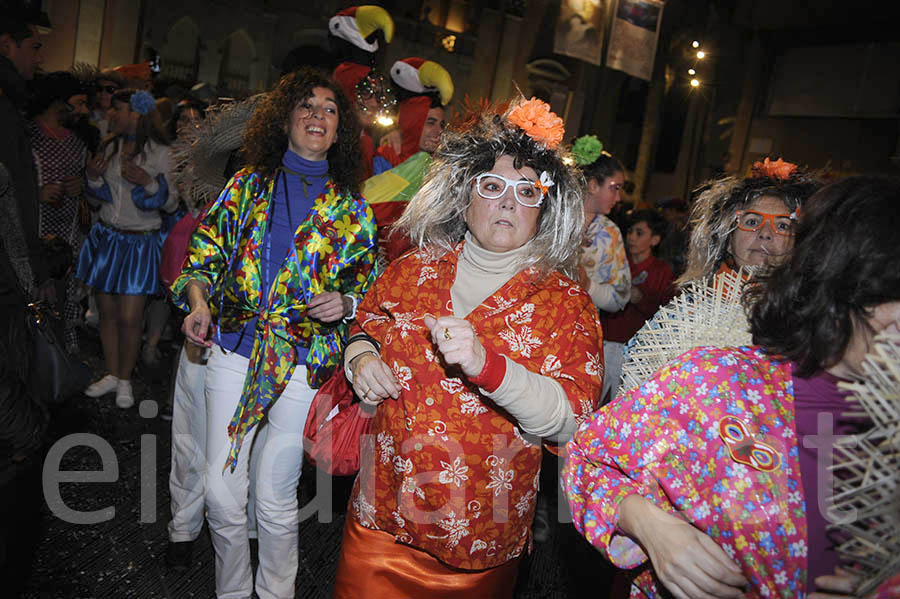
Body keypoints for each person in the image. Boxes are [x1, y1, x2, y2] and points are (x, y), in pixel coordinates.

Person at [563, 175, 900, 598]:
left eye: (784, 225)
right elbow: (592, 459)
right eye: (753, 220)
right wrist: (652, 524)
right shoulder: (712, 371)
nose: (766, 235)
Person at [332, 97, 603, 598]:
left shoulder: (567, 304)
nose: (506, 202)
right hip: (380, 517)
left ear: (542, 210)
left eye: (527, 192)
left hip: (479, 541)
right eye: (492, 185)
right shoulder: (414, 269)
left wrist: (488, 366)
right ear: (465, 197)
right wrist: (361, 356)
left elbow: (573, 420)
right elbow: (369, 320)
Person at [171, 67, 378, 599]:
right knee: (220, 491)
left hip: (303, 361)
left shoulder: (352, 208)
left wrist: (347, 301)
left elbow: (370, 289)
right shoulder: (247, 185)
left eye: (329, 110)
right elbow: (203, 257)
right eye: (307, 106)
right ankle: (234, 590)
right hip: (234, 349)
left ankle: (275, 593)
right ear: (285, 120)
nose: (317, 116)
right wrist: (198, 302)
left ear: (339, 132)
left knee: (273, 495)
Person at [76, 88, 177, 409]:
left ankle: (125, 378)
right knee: (106, 311)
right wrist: (92, 178)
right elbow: (95, 199)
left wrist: (148, 182)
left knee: (131, 317)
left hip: (139, 241)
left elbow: (173, 202)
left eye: (118, 110)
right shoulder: (109, 146)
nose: (111, 115)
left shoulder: (162, 153)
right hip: (107, 236)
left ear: (137, 114)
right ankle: (113, 374)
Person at [27, 71, 91, 353]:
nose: (83, 110)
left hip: (66, 232)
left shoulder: (78, 140)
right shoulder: (29, 135)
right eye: (77, 103)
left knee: (63, 292)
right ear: (58, 103)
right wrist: (37, 193)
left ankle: (57, 354)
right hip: (33, 229)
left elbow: (85, 181)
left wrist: (82, 186)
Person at [572, 136, 631, 402]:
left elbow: (620, 297)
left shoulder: (609, 233)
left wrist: (588, 286)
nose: (618, 197)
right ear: (593, 185)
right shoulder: (549, 217)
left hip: (580, 341)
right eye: (614, 188)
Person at [0, 2, 52, 300]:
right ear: (8, 46)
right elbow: (16, 193)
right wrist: (35, 268)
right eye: (34, 48)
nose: (39, 58)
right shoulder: (5, 109)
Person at [599, 209, 674, 400]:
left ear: (655, 240)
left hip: (635, 348)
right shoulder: (617, 262)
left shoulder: (661, 271)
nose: (631, 237)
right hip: (605, 341)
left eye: (639, 233)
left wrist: (641, 298)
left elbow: (665, 312)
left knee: (624, 400)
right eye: (630, 231)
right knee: (595, 398)